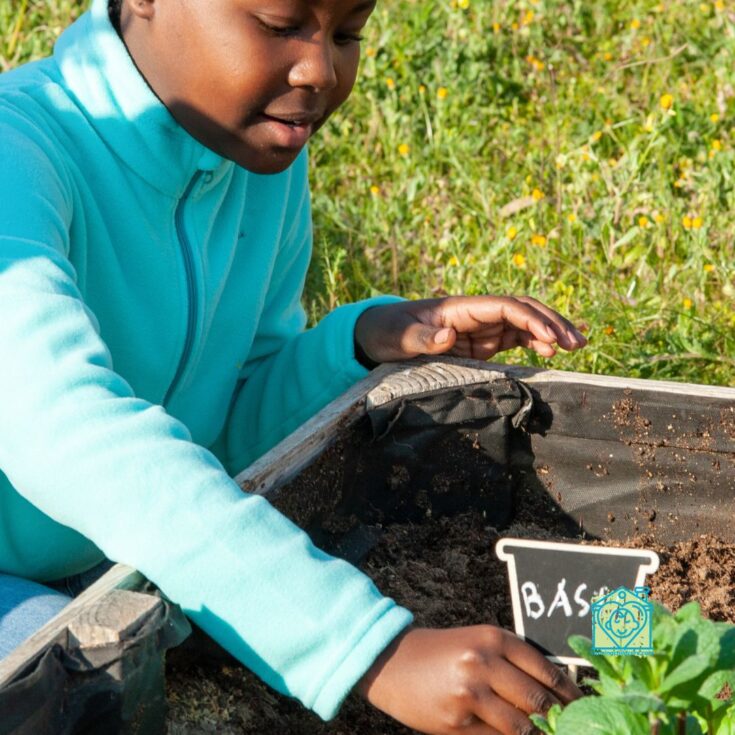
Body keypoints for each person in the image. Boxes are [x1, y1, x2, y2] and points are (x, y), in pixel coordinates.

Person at [0, 0, 587, 732]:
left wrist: (360, 341)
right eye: (278, 25)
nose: (320, 69)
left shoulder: (252, 157)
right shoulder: (16, 155)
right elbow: (66, 434)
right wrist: (368, 647)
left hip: (116, 561)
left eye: (347, 33)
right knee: (71, 698)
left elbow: (225, 423)